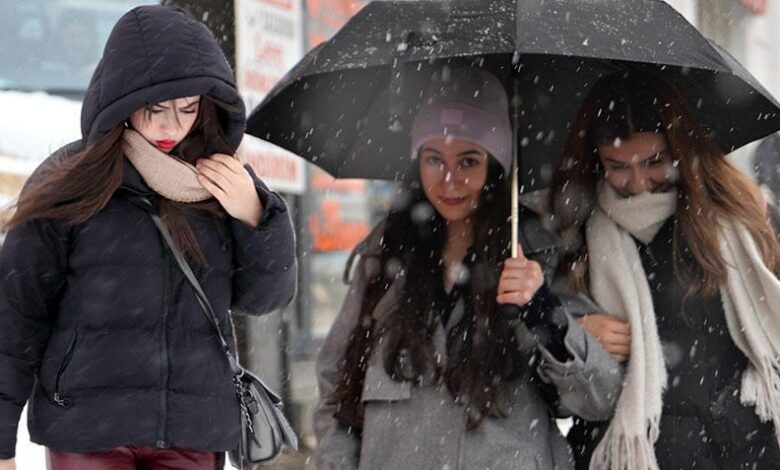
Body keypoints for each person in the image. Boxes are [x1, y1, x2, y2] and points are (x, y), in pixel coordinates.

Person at [0, 5, 296, 470]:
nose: (171, 127)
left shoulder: (222, 183)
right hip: (89, 427)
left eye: (187, 109)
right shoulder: (70, 181)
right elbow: (16, 317)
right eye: (154, 108)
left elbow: (265, 298)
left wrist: (256, 215)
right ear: (119, 100)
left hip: (192, 429)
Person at [313, 66, 622, 469]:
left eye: (468, 161)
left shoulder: (539, 254)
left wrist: (544, 311)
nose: (449, 180)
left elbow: (598, 398)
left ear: (496, 165)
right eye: (433, 159)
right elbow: (336, 388)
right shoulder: (384, 257)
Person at [548, 71, 780, 469]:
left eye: (654, 161)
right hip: (625, 455)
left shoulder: (741, 217)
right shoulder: (569, 233)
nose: (637, 183)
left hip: (738, 453)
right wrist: (574, 335)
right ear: (595, 159)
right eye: (617, 166)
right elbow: (552, 394)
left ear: (680, 146)